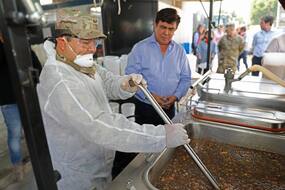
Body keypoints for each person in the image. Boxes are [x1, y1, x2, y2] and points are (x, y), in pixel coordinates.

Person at [36, 9, 190, 190]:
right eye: (85, 42)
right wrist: (160, 136)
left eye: (94, 42)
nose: (92, 49)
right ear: (62, 43)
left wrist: (126, 84)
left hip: (98, 159)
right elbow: (100, 126)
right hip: (79, 171)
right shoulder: (61, 81)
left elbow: (107, 81)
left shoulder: (79, 61)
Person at [125, 8, 191, 125]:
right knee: (146, 141)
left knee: (168, 141)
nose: (166, 33)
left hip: (169, 108)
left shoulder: (179, 51)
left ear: (175, 29)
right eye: (163, 27)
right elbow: (130, 78)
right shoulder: (140, 48)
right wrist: (150, 96)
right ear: (155, 25)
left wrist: (176, 96)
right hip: (145, 108)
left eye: (171, 29)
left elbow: (185, 78)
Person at [0, 32, 40, 184]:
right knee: (15, 133)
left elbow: (36, 66)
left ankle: (34, 158)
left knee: (32, 129)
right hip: (9, 99)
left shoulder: (21, 46)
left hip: (27, 95)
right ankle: (18, 166)